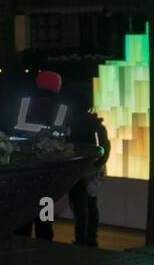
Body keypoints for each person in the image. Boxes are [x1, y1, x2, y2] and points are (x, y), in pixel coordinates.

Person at [12, 70, 71, 239]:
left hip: (22, 167)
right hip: (47, 171)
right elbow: (61, 137)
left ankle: (20, 243)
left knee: (23, 212)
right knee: (45, 215)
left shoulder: (23, 103)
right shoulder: (62, 108)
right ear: (56, 86)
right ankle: (44, 245)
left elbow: (14, 129)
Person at [67, 89, 110, 246]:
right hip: (92, 168)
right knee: (90, 204)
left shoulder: (71, 125)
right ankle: (91, 238)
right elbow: (105, 146)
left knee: (79, 205)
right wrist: (97, 164)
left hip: (77, 169)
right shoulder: (96, 125)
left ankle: (81, 238)